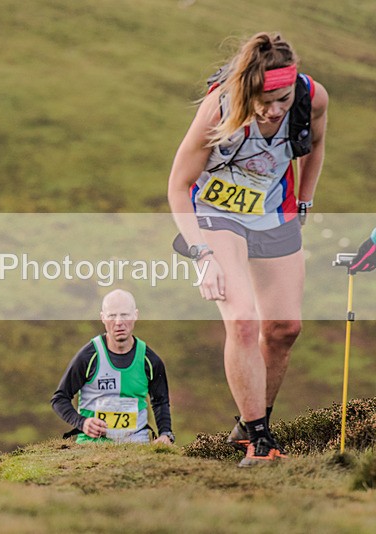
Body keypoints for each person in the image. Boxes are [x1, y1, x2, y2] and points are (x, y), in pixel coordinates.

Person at [167, 32, 328, 466]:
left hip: (274, 212)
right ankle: (259, 441)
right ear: (247, 89)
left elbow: (315, 146)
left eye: (283, 99)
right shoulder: (218, 109)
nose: (275, 109)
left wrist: (305, 201)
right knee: (242, 320)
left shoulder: (311, 98)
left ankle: (251, 422)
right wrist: (201, 255)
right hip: (216, 213)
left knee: (284, 329)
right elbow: (178, 185)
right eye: (265, 101)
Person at [51, 290, 175, 445]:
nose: (118, 322)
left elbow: (160, 402)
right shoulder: (88, 356)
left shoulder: (150, 360)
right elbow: (59, 399)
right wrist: (82, 422)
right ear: (102, 317)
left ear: (135, 315)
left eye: (124, 315)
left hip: (137, 445)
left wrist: (165, 433)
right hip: (92, 445)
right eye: (112, 316)